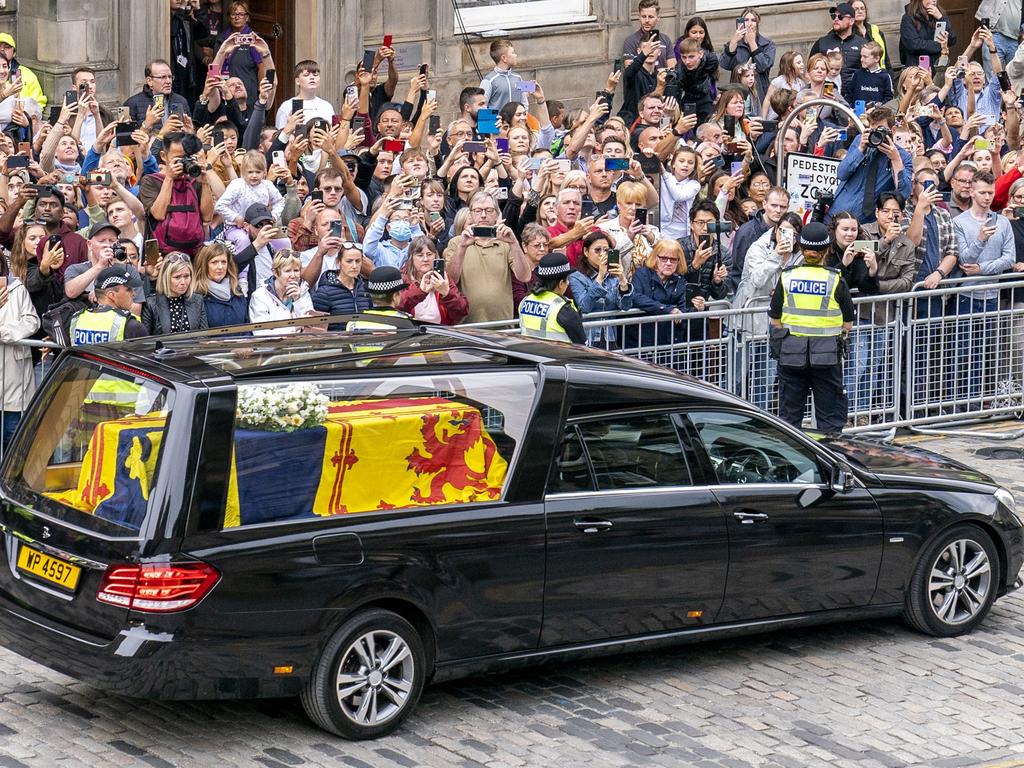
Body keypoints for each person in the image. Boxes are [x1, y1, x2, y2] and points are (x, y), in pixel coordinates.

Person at [768, 222, 855, 437]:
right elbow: (848, 323)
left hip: (791, 355)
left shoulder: (787, 277)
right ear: (826, 250)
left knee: (789, 420)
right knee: (829, 421)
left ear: (801, 249)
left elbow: (775, 319)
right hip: (826, 358)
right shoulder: (835, 279)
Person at [952, 171, 1017, 407]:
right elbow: (964, 259)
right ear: (972, 192)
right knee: (961, 352)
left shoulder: (1002, 222)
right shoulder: (959, 222)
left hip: (991, 295)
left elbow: (1009, 259)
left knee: (981, 352)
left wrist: (981, 269)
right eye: (983, 193)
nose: (987, 197)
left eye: (990, 193)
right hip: (966, 296)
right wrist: (980, 239)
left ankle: (974, 401)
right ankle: (957, 402)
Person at [831, 106, 912, 225]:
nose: (876, 135)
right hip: (837, 214)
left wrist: (895, 159)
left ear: (893, 130)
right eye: (872, 130)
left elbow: (904, 192)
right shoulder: (860, 141)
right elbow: (841, 173)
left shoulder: (903, 157)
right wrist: (860, 150)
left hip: (867, 224)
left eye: (881, 130)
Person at [0, 253, 39, 449]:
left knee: (13, 439)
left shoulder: (16, 289)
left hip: (15, 380)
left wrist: (5, 333)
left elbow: (32, 321)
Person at [568, 231, 634, 346]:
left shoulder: (613, 276)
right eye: (597, 250)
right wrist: (600, 277)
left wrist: (623, 280)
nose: (603, 254)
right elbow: (584, 306)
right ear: (586, 252)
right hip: (588, 337)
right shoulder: (576, 277)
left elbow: (626, 306)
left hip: (610, 337)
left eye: (606, 251)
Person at [68, 265, 149, 345]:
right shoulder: (131, 326)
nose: (134, 294)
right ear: (112, 295)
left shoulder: (76, 319)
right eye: (128, 289)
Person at [398, 236, 469, 325]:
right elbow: (396, 308)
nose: (425, 259)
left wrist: (447, 294)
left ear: (435, 255)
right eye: (420, 255)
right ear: (411, 257)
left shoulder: (443, 278)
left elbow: (462, 312)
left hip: (440, 333)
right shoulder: (403, 278)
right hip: (412, 333)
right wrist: (420, 291)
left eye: (429, 254)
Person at [518, 252, 586, 344]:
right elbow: (582, 344)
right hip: (559, 357)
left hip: (531, 356)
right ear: (561, 283)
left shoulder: (526, 301)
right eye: (567, 280)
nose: (568, 283)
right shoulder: (562, 308)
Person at [249, 250, 317, 334]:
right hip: (273, 346)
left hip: (300, 346)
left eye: (296, 270)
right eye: (288, 271)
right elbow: (261, 333)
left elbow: (311, 328)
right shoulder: (260, 296)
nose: (293, 276)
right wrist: (294, 326)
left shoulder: (303, 292)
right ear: (275, 273)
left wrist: (298, 300)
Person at [141, 253, 208, 335]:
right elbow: (145, 340)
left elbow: (203, 336)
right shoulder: (151, 303)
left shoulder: (197, 299)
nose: (183, 282)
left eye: (186, 276)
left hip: (192, 347)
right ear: (166, 278)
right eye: (177, 277)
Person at [719, 8, 776, 101]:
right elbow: (725, 65)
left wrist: (752, 43)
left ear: (758, 23)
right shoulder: (735, 43)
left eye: (753, 20)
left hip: (760, 92)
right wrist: (733, 44)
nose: (749, 24)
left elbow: (763, 66)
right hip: (738, 93)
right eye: (746, 20)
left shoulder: (768, 44)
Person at [809, 3, 868, 87]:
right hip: (827, 93)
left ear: (851, 21)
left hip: (855, 94)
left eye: (840, 17)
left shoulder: (862, 43)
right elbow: (810, 70)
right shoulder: (822, 42)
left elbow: (870, 72)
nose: (836, 19)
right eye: (834, 16)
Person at [193, 241, 249, 328]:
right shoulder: (197, 295)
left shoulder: (236, 290)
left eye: (223, 262)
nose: (220, 267)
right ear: (204, 265)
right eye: (214, 262)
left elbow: (247, 325)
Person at [124, 59, 191, 125]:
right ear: (150, 81)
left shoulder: (181, 101)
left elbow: (190, 133)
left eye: (170, 77)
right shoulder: (133, 104)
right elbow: (129, 134)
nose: (168, 81)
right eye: (163, 77)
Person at [274, 60, 335, 129]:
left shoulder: (326, 106)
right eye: (306, 75)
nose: (312, 77)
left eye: (315, 75)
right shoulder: (287, 106)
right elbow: (279, 134)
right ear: (297, 81)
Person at [899, 0, 955, 70]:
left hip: (938, 66)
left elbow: (952, 39)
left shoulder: (939, 15)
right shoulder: (908, 18)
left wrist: (941, 18)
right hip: (917, 67)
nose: (934, 0)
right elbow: (914, 44)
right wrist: (941, 46)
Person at [622, 0, 675, 70]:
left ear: (658, 18)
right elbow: (629, 69)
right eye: (644, 16)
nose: (647, 20)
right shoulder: (630, 41)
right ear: (639, 17)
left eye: (650, 17)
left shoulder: (665, 39)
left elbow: (672, 67)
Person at [480, 39, 528, 112]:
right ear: (504, 58)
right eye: (513, 53)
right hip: (497, 123)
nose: (516, 55)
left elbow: (524, 102)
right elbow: (482, 107)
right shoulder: (488, 81)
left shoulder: (518, 78)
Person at [0, 33, 46, 108]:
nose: (2, 49)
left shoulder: (27, 74)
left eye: (7, 47)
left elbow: (39, 102)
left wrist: (27, 116)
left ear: (14, 53)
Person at [851, 0, 890, 69]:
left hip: (879, 73)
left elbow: (885, 57)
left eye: (862, 8)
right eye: (856, 9)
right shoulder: (848, 32)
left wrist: (889, 74)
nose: (860, 11)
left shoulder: (875, 30)